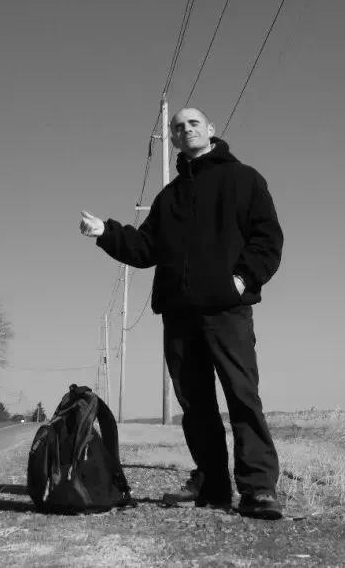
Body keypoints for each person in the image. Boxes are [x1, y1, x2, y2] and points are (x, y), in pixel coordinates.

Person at [79, 107, 284, 520]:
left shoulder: (244, 179)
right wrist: (106, 232)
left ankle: (259, 489)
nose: (185, 129)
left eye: (193, 123)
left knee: (242, 396)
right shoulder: (168, 197)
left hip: (227, 310)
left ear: (210, 130)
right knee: (196, 406)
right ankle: (213, 485)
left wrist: (240, 281)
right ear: (172, 139)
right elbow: (145, 249)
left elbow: (268, 238)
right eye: (178, 127)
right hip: (179, 315)